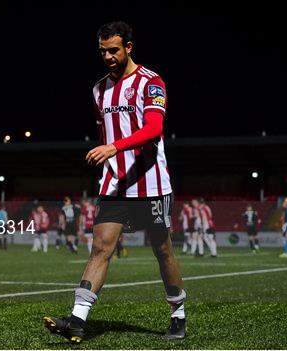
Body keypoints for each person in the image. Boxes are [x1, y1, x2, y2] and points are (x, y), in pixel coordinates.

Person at [43, 21, 186, 343]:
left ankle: (178, 313)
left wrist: (114, 147)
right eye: (102, 51)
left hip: (151, 184)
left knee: (162, 251)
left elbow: (153, 129)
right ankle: (77, 319)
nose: (107, 56)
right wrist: (108, 156)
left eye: (113, 50)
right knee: (100, 248)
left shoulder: (152, 83)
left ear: (129, 47)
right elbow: (106, 130)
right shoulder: (98, 89)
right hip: (115, 184)